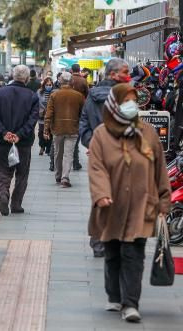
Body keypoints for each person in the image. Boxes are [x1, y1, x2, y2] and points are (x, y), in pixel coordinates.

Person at [88, 83, 170, 323]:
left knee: (133, 254)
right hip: (111, 206)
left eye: (133, 100)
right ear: (114, 105)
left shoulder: (148, 133)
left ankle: (131, 303)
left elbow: (160, 169)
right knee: (113, 252)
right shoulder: (101, 135)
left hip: (142, 204)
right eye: (126, 101)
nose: (131, 105)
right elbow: (97, 168)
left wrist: (164, 202)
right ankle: (114, 295)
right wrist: (101, 193)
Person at [80, 58, 130, 258]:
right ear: (113, 75)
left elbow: (83, 122)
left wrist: (92, 142)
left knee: (100, 195)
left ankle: (98, 241)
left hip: (98, 155)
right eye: (125, 72)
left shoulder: (92, 96)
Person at [0, 64, 39, 216]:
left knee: (4, 170)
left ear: (12, 75)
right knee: (22, 173)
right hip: (23, 142)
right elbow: (33, 119)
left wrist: (4, 132)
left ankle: (4, 192)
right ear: (27, 78)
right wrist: (20, 134)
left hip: (1, 140)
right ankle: (16, 204)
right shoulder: (32, 95)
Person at [43, 72, 85, 187]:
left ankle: (58, 176)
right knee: (68, 154)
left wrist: (46, 129)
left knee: (58, 153)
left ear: (60, 81)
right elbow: (83, 114)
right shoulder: (79, 96)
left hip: (57, 129)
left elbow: (49, 113)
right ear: (71, 82)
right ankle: (65, 177)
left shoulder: (54, 95)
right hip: (73, 129)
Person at [70, 64, 89, 171]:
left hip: (68, 108)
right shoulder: (83, 81)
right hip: (80, 109)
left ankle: (55, 162)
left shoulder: (68, 79)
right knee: (76, 135)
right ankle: (75, 162)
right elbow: (87, 93)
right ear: (79, 70)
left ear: (71, 70)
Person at [37, 77, 54, 156]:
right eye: (47, 84)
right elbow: (37, 102)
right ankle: (42, 146)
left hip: (51, 116)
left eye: (50, 85)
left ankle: (48, 148)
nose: (48, 86)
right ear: (44, 85)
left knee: (50, 132)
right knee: (41, 132)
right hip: (41, 115)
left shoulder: (54, 93)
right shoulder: (39, 92)